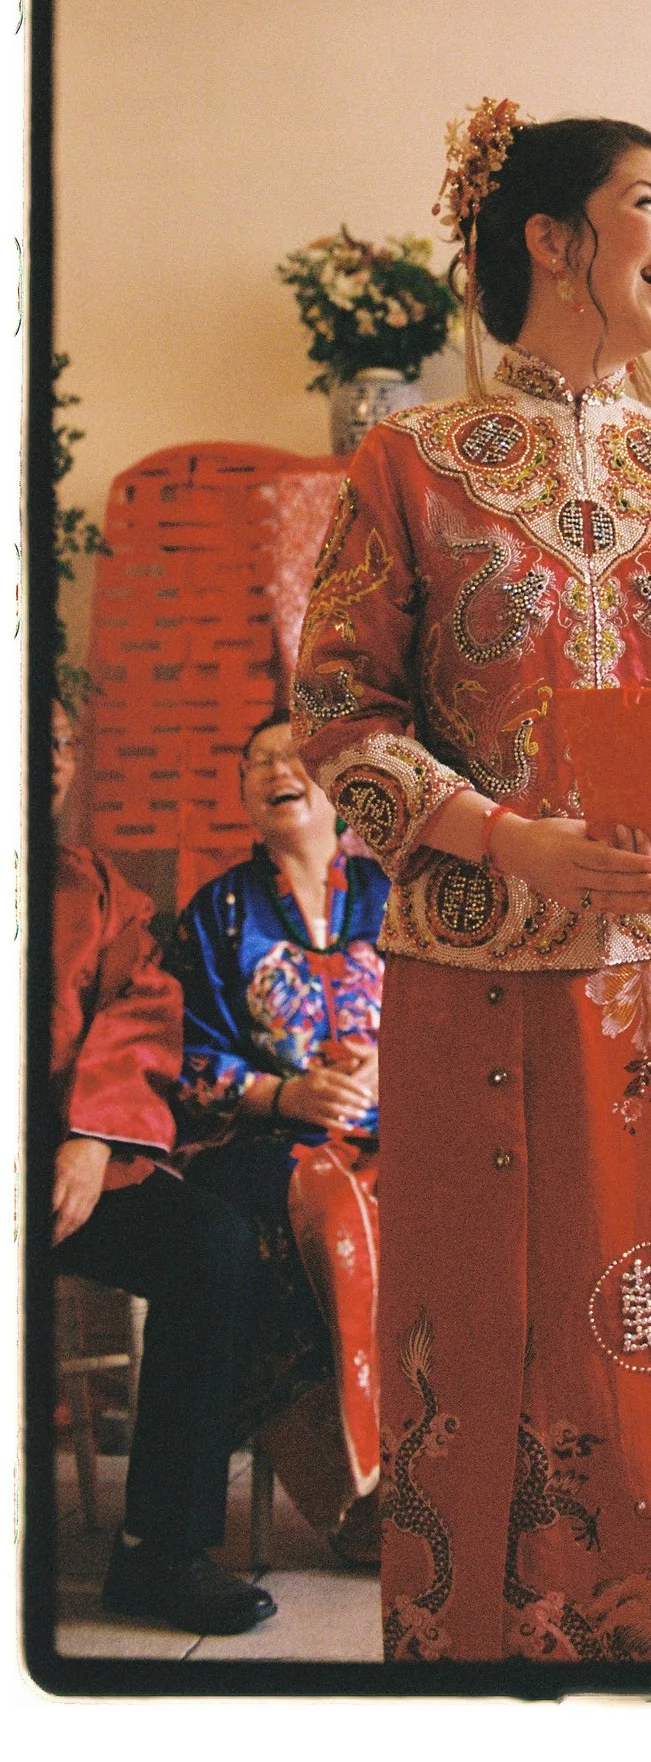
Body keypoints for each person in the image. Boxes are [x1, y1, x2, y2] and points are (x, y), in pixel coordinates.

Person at [291, 104, 651, 1665]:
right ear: (550, 237)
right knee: (496, 1323)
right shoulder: (411, 464)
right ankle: (495, 1655)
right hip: (482, 989)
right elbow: (337, 711)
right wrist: (499, 837)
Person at [48, 700, 275, 1636]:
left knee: (210, 1244)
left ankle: (162, 1552)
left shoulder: (94, 887)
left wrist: (93, 1136)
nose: (50, 759)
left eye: (63, 742)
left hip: (71, 1168)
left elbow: (142, 1007)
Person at [172, 713, 386, 1564]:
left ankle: (451, 1474)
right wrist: (284, 1094)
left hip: (393, 1135)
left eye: (295, 756)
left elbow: (454, 1018)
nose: (275, 769)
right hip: (261, 1146)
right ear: (243, 798)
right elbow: (184, 1055)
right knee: (334, 1209)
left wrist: (393, 1066)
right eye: (256, 761)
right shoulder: (218, 911)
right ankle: (366, 1491)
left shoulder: (393, 895)